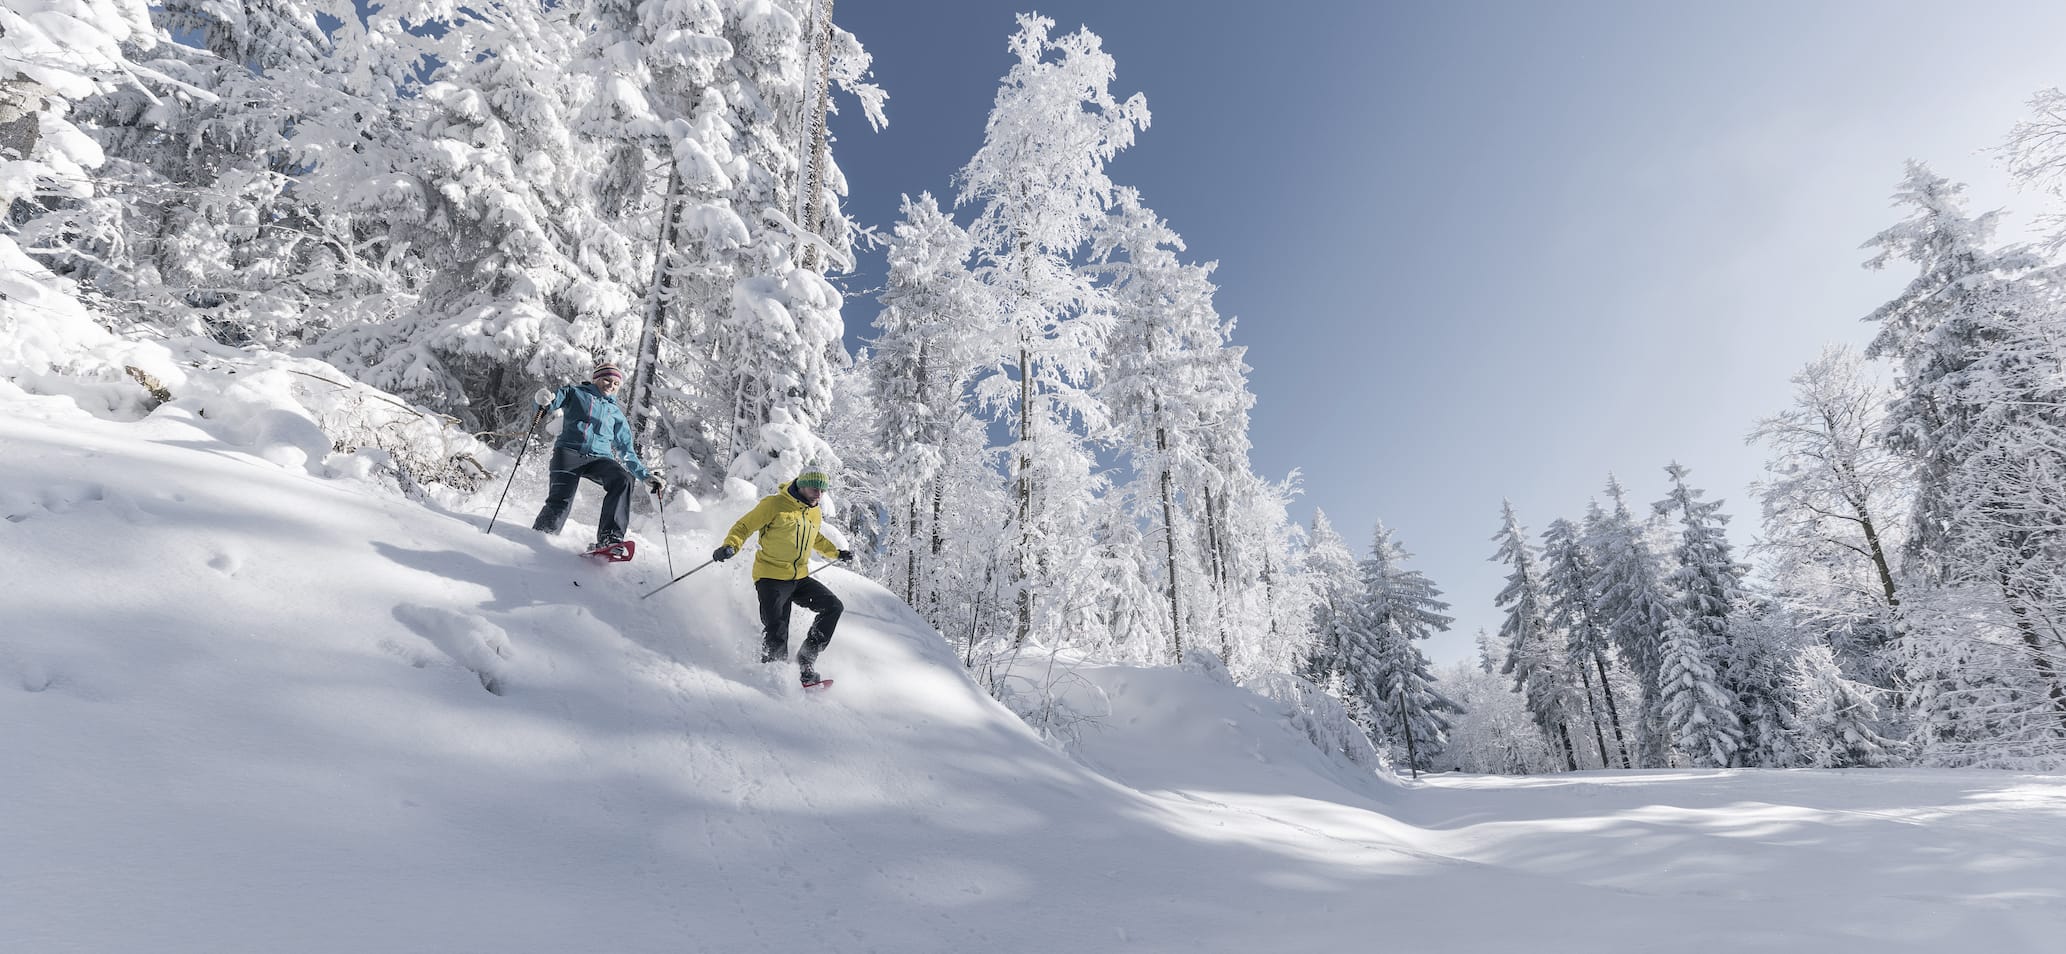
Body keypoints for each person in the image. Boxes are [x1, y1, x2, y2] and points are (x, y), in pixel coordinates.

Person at [712, 471, 853, 686]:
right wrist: (730, 545)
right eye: (815, 489)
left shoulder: (813, 511)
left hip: (799, 578)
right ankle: (772, 678)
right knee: (777, 630)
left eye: (823, 491)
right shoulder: (775, 504)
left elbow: (815, 536)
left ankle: (806, 659)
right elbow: (744, 526)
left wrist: (836, 553)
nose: (819, 494)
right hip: (771, 578)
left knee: (833, 606)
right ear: (803, 486)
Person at [530, 363, 662, 552]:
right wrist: (542, 400)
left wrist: (645, 476)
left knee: (623, 479)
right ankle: (540, 538)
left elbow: (626, 451)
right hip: (569, 452)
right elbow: (548, 403)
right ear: (596, 379)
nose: (611, 385)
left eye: (616, 383)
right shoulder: (575, 393)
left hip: (599, 459)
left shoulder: (615, 413)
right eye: (607, 380)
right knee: (561, 500)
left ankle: (610, 539)